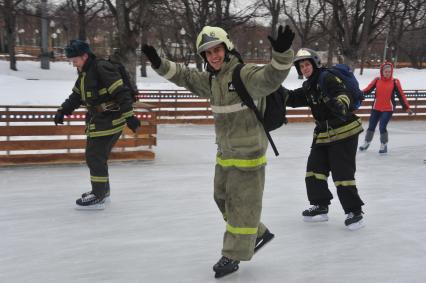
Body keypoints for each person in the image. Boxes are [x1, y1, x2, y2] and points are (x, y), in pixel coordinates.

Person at [142, 25, 294, 278]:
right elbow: (186, 77)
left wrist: (281, 54)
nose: (214, 56)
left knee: (241, 205)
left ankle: (233, 255)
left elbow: (270, 78)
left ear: (227, 48)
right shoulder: (212, 80)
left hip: (248, 156)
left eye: (217, 49)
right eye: (208, 52)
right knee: (221, 199)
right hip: (225, 154)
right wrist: (159, 63)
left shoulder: (243, 74)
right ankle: (258, 232)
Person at [54, 39, 140, 210]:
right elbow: (76, 96)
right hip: (99, 120)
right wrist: (63, 110)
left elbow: (121, 92)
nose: (73, 64)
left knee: (94, 157)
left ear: (85, 56)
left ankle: (98, 195)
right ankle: (103, 191)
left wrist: (130, 116)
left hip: (110, 120)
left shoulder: (101, 68)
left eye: (75, 60)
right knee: (98, 157)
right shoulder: (84, 72)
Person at [284, 48, 365, 230]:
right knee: (314, 170)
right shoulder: (309, 86)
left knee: (342, 174)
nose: (304, 68)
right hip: (323, 134)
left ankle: (355, 212)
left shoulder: (327, 78)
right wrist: (274, 91)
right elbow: (293, 98)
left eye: (307, 64)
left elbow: (343, 94)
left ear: (315, 63)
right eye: (301, 66)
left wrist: (340, 104)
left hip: (344, 131)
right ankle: (320, 207)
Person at [359, 61, 413, 154]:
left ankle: (384, 144)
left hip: (388, 108)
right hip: (376, 107)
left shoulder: (395, 82)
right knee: (371, 126)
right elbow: (367, 90)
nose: (387, 73)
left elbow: (401, 95)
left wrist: (406, 107)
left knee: (382, 126)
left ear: (391, 72)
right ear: (382, 71)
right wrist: (358, 94)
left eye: (389, 71)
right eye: (386, 71)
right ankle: (367, 142)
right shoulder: (377, 80)